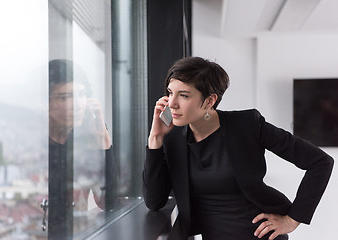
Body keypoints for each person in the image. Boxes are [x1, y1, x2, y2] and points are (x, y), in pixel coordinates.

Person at [142, 57, 334, 240]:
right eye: (170, 92)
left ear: (209, 101)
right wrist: (155, 137)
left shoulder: (246, 125)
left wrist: (293, 219)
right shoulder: (173, 138)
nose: (172, 103)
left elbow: (320, 162)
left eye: (183, 95)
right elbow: (154, 201)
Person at [48, 59, 117, 239]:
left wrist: (103, 141)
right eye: (65, 97)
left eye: (82, 94)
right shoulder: (39, 143)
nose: (78, 105)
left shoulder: (85, 138)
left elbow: (109, 202)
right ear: (46, 103)